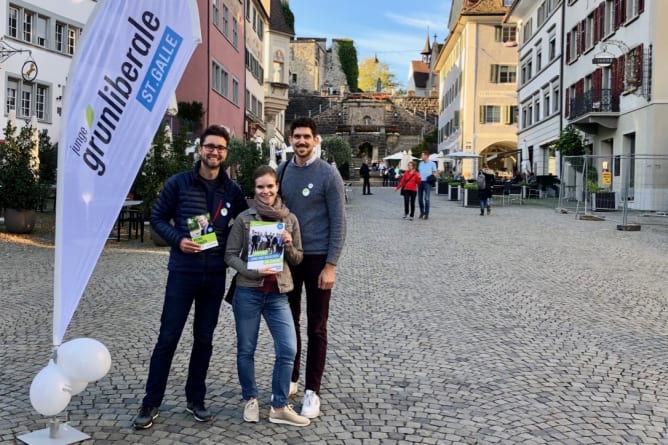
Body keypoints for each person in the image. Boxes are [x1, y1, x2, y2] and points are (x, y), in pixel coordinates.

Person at [133, 125, 248, 430]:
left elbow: (248, 220)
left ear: (226, 153)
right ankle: (150, 402)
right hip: (183, 273)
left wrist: (279, 226)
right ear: (200, 149)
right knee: (168, 336)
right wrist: (177, 240)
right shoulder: (179, 183)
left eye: (221, 148)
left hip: (214, 276)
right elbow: (156, 218)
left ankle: (195, 398)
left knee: (205, 339)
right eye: (210, 147)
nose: (215, 152)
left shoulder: (231, 190)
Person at [225, 166, 310, 427]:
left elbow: (297, 258)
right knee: (246, 350)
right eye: (261, 187)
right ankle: (250, 398)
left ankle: (279, 405)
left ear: (277, 188)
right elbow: (229, 255)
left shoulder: (290, 219)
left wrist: (288, 244)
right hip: (248, 293)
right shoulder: (244, 218)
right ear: (255, 189)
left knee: (288, 348)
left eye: (270, 186)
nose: (266, 191)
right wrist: (251, 270)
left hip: (278, 294)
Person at [276, 117, 347, 419]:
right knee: (288, 323)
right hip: (289, 259)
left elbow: (340, 223)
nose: (301, 142)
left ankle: (312, 391)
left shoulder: (329, 174)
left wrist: (330, 265)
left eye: (306, 137)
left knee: (316, 326)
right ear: (290, 140)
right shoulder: (282, 171)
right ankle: (292, 378)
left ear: (316, 140)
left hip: (318, 258)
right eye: (296, 137)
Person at [417, 151, 438, 220]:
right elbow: (419, 172)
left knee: (426, 198)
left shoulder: (432, 164)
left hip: (427, 182)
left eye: (422, 155)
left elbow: (435, 173)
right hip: (420, 182)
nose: (421, 156)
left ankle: (426, 214)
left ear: (426, 156)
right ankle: (422, 212)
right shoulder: (420, 163)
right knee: (420, 199)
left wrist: (432, 177)